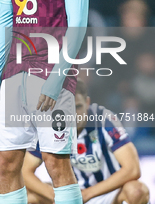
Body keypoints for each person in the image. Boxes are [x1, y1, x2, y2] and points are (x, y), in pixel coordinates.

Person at [0, 0, 94, 203]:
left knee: (55, 162)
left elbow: (77, 27)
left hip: (51, 71)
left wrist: (56, 81)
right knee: (6, 162)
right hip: (15, 72)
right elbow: (4, 21)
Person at [22, 79, 150, 204]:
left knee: (137, 191)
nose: (73, 114)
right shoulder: (48, 127)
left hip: (107, 194)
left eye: (78, 107)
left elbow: (133, 169)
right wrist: (54, 196)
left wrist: (87, 194)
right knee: (27, 197)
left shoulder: (104, 119)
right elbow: (24, 171)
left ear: (87, 102)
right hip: (70, 195)